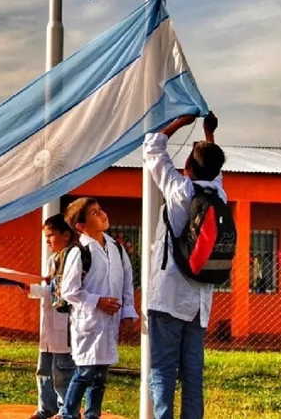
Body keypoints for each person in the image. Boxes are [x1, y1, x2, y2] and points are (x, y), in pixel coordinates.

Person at [143, 112, 225, 419]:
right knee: (193, 375)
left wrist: (179, 122)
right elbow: (213, 170)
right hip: (201, 299)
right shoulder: (218, 194)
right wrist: (208, 133)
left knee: (163, 370)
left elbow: (153, 147)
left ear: (187, 167)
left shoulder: (178, 191)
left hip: (168, 296)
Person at [59, 198, 138, 419]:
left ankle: (93, 414)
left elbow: (126, 283)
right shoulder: (80, 252)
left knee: (101, 375)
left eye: (100, 210)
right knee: (85, 372)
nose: (102, 214)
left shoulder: (117, 249)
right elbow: (69, 290)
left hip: (109, 323)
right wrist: (97, 301)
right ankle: (68, 413)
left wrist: (128, 313)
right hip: (89, 322)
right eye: (94, 213)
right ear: (81, 227)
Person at [27, 214, 77, 419]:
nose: (47, 241)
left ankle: (66, 409)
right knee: (44, 370)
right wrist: (32, 287)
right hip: (49, 328)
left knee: (62, 372)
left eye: (51, 236)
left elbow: (61, 293)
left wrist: (33, 288)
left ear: (66, 234)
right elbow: (50, 289)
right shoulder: (52, 260)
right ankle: (46, 407)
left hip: (64, 326)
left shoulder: (72, 258)